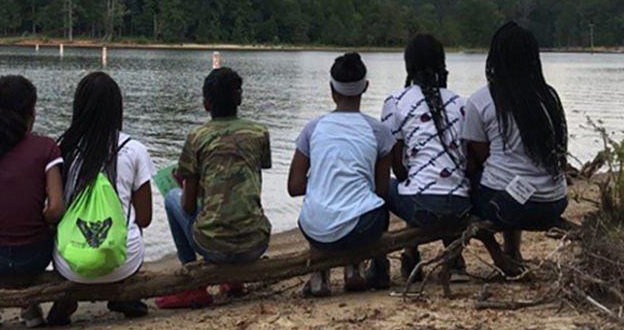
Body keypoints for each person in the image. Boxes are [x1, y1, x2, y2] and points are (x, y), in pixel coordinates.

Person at [154, 67, 273, 309]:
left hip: (214, 247)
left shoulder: (197, 138)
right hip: (256, 242)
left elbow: (188, 207)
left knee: (172, 198)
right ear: (240, 98)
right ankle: (233, 281)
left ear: (205, 104)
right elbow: (244, 176)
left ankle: (193, 284)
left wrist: (189, 185)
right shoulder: (259, 133)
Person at [44, 72, 155, 325]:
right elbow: (145, 219)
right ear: (117, 108)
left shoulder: (62, 149)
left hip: (70, 265)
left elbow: (53, 210)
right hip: (124, 263)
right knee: (131, 222)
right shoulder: (135, 150)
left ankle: (65, 298)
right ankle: (123, 294)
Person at [461, 22, 570, 274]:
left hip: (510, 207)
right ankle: (512, 250)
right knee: (507, 174)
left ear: (495, 58)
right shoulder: (549, 96)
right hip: (554, 203)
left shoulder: (481, 100)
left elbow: (480, 156)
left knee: (472, 181)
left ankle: (494, 254)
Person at [287, 53, 395, 297]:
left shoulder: (313, 128)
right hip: (361, 230)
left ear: (331, 90)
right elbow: (381, 191)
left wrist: (325, 180)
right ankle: (355, 265)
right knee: (376, 206)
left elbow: (294, 186)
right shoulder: (379, 131)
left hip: (314, 228)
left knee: (318, 201)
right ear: (365, 87)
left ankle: (319, 274)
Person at [0, 75, 65, 329]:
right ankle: (30, 306)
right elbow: (56, 208)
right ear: (30, 111)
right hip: (35, 256)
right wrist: (41, 220)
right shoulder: (46, 147)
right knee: (53, 227)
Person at [380, 34, 473, 280]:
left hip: (422, 206)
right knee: (438, 182)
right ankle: (454, 260)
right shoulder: (460, 103)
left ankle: (390, 260)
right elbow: (467, 159)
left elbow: (397, 167)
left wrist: (414, 177)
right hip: (461, 205)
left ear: (408, 65)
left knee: (381, 184)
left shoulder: (396, 101)